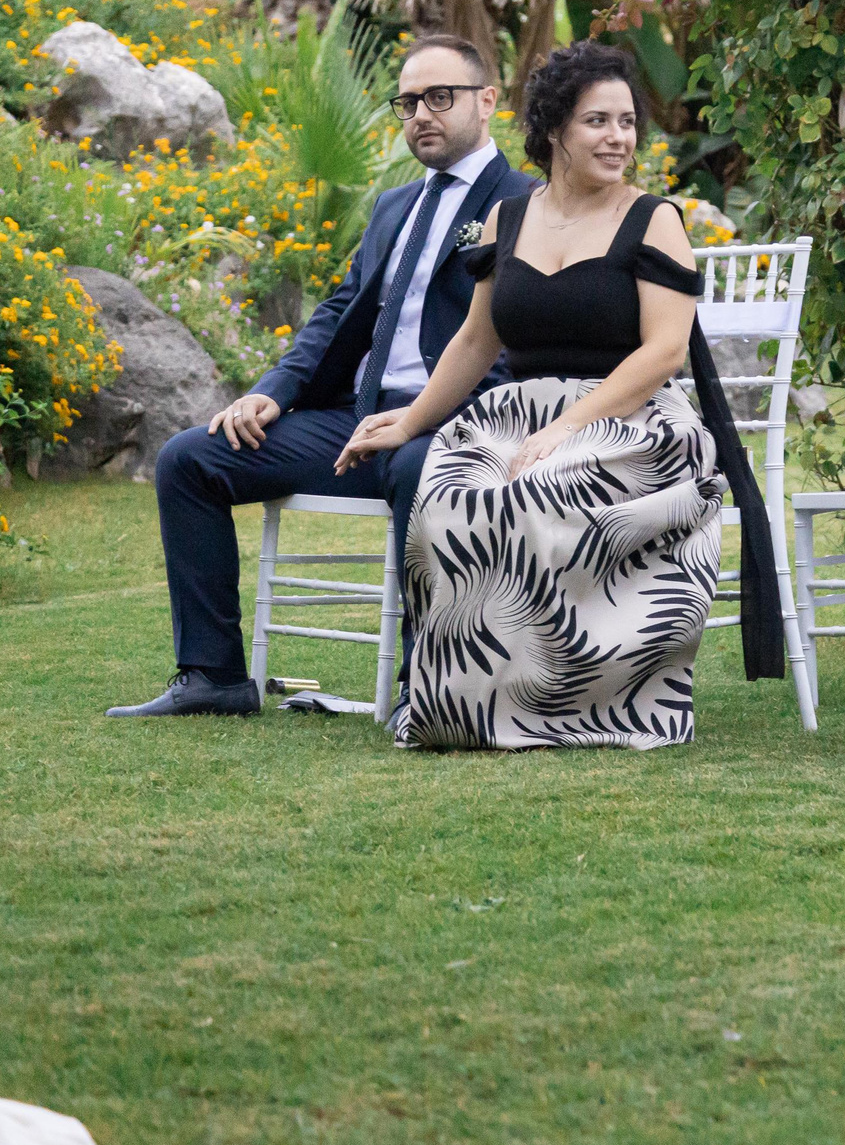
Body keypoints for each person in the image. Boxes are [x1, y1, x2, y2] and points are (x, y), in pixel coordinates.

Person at [333, 42, 785, 749]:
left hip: (631, 419)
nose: (619, 138)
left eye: (627, 122)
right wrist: (410, 422)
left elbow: (665, 349)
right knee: (447, 490)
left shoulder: (652, 218)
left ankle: (565, 703)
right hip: (518, 415)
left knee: (537, 487)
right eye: (597, 121)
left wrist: (567, 426)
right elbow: (476, 343)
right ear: (553, 132)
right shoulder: (508, 220)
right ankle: (461, 699)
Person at [111, 35, 534, 718]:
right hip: (355, 423)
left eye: (440, 97)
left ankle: (427, 690)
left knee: (416, 468)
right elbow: (338, 312)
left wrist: (421, 417)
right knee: (189, 459)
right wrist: (270, 393)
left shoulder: (524, 203)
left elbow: (516, 343)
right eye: (408, 101)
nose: (420, 113)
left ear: (487, 101)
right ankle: (213, 675)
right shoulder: (395, 206)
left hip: (453, 423)